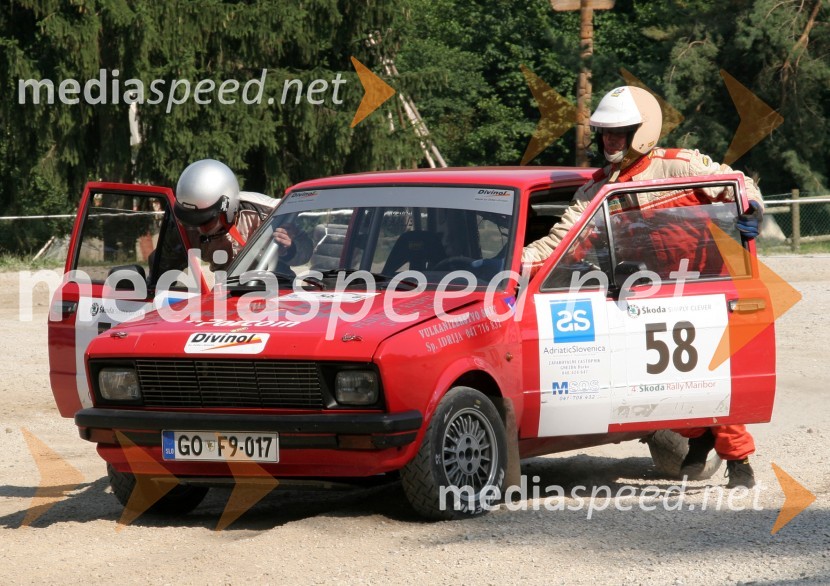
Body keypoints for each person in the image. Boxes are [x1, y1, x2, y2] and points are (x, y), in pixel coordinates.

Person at [524, 86, 764, 488]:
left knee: (711, 378)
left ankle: (740, 463)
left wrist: (752, 210)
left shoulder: (681, 166)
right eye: (604, 134)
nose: (609, 141)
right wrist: (509, 265)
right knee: (661, 385)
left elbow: (739, 185)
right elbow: (558, 242)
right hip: (642, 295)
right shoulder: (595, 191)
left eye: (618, 132)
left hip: (703, 290)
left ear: (642, 131)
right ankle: (699, 437)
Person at [173, 159, 310, 272]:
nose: (199, 229)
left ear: (227, 207)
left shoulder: (268, 214)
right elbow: (165, 262)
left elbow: (307, 250)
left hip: (276, 286)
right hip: (228, 290)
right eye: (192, 220)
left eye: (206, 220)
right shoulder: (184, 226)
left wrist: (290, 249)